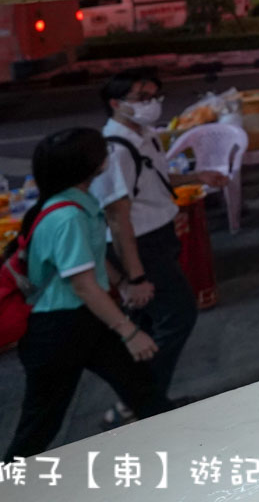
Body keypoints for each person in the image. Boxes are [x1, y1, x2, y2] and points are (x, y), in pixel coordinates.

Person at [4, 128, 171, 460]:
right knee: (40, 425)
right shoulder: (67, 217)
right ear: (85, 166)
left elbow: (91, 260)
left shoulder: (76, 203)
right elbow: (82, 285)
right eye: (101, 152)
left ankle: (181, 442)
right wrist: (129, 330)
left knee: (142, 387)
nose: (108, 156)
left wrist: (122, 283)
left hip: (86, 320)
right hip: (58, 330)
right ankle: (0, 486)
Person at [94, 67, 223, 421]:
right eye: (142, 98)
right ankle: (143, 402)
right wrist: (134, 278)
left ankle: (135, 401)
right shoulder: (114, 149)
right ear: (116, 103)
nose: (151, 105)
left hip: (158, 236)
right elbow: (118, 219)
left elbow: (155, 179)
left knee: (150, 325)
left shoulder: (144, 135)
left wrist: (197, 176)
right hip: (139, 246)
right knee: (178, 315)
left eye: (154, 97)